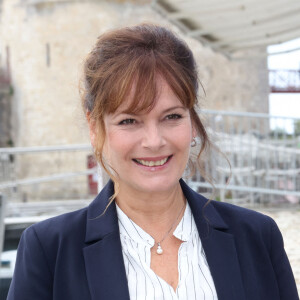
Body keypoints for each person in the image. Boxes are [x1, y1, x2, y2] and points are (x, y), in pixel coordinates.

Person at [7, 24, 299, 300]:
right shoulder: (49, 252)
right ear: (95, 127)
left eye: (171, 116)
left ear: (193, 121)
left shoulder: (258, 238)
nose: (154, 141)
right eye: (129, 120)